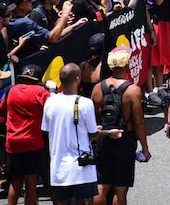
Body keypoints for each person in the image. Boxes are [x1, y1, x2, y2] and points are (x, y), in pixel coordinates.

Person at [41, 63, 123, 205]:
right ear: (77, 79)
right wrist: (109, 133)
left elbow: (47, 130)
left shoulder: (50, 102)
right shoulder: (85, 103)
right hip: (82, 171)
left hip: (58, 171)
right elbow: (93, 135)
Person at [91, 47, 150, 205]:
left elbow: (94, 117)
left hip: (104, 139)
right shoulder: (133, 91)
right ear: (127, 66)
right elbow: (139, 122)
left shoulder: (98, 88)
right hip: (125, 141)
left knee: (102, 186)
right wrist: (145, 147)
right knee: (120, 189)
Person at [0, 63, 51, 205]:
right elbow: (51, 112)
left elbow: (0, 111)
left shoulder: (11, 90)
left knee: (15, 181)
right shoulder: (41, 92)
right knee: (31, 182)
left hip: (13, 142)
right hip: (33, 142)